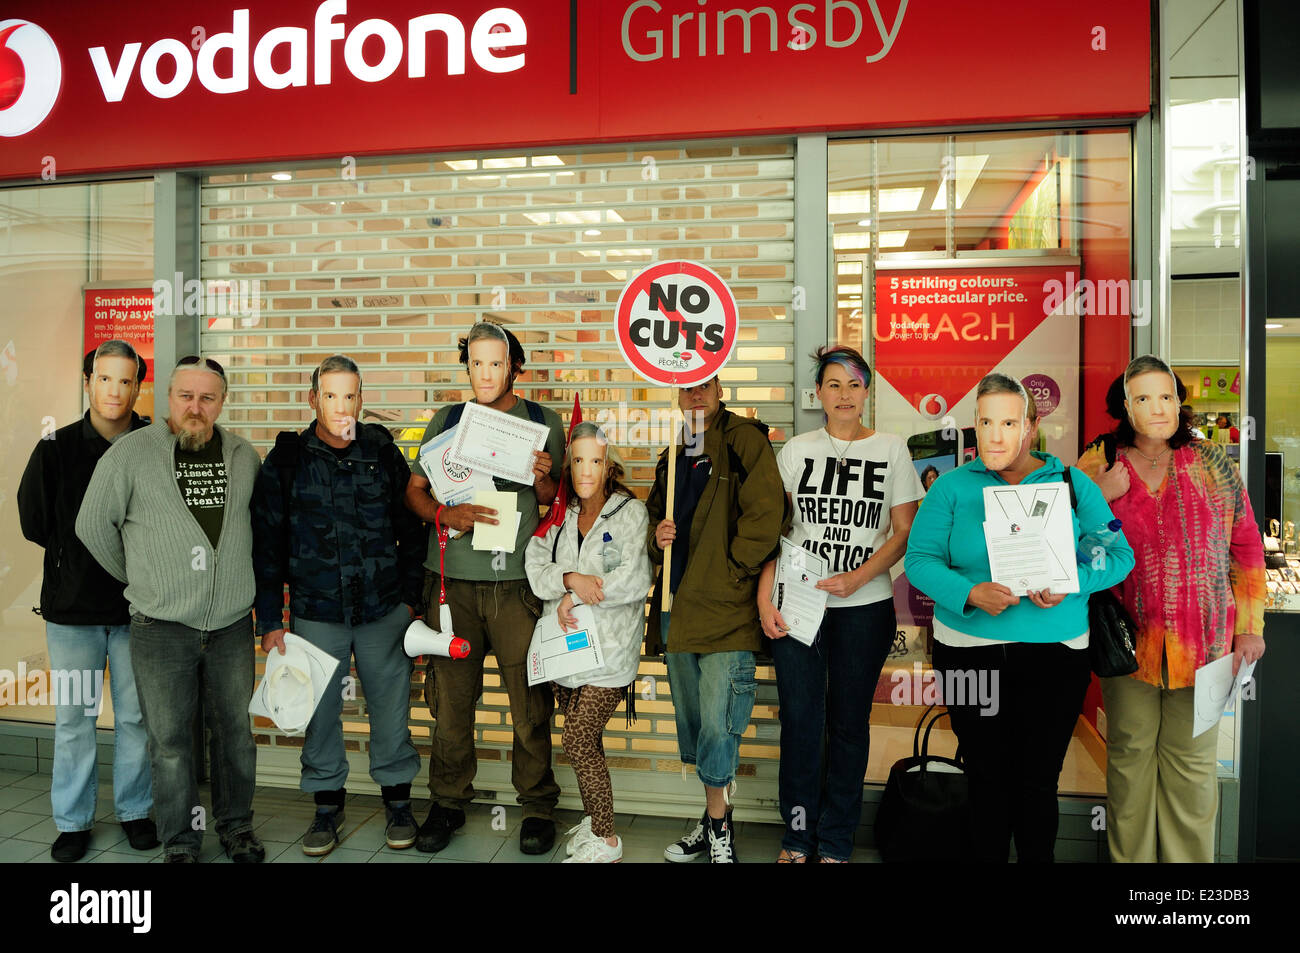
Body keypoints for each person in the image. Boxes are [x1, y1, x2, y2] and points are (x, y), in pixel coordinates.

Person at [904, 372, 1134, 862]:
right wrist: (970, 592)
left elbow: (1115, 555)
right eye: (985, 422)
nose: (995, 434)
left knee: (1037, 781)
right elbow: (919, 560)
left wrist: (1070, 579)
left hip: (1054, 657)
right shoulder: (950, 489)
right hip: (970, 653)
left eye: (1008, 422)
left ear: (1030, 426)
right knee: (985, 776)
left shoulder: (1073, 485)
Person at [76, 355, 265, 864]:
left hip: (229, 627)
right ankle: (180, 841)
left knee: (235, 737)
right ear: (168, 399)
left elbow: (257, 533)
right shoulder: (129, 454)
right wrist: (144, 579)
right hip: (160, 629)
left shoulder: (245, 456)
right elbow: (92, 526)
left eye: (207, 398)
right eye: (185, 396)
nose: (195, 408)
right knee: (171, 743)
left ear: (222, 402)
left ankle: (237, 829)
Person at [1078, 354, 1265, 862]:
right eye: (1143, 398)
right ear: (1126, 407)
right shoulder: (1101, 460)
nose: (1157, 408)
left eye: (1166, 396)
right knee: (1130, 761)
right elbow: (1062, 535)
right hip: (1126, 642)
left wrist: (1250, 626)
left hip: (1204, 644)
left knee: (1192, 769)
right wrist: (1098, 493)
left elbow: (1246, 546)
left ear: (1180, 403)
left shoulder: (1212, 463)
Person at [251, 355, 426, 856]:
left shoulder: (382, 452)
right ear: (313, 399)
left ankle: (397, 802)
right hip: (315, 612)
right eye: (331, 395)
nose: (341, 405)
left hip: (381, 610)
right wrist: (269, 620)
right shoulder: (288, 459)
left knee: (391, 710)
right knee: (320, 713)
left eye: (350, 395)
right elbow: (268, 543)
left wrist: (410, 600)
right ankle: (326, 808)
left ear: (361, 399)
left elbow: (410, 528)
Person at [403, 321, 566, 855]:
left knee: (529, 705)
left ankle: (538, 807)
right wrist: (445, 512)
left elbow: (552, 502)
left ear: (514, 366)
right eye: (476, 363)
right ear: (467, 366)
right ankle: (448, 802)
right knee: (451, 704)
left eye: (496, 363)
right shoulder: (447, 421)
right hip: (452, 585)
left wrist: (544, 478)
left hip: (518, 585)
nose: (486, 373)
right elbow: (415, 493)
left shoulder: (544, 422)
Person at [757, 346, 923, 863]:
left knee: (849, 725)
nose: (844, 394)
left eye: (854, 385)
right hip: (799, 605)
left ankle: (835, 840)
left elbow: (903, 531)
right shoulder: (795, 451)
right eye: (834, 384)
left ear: (867, 391)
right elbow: (772, 532)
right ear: (819, 393)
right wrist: (765, 599)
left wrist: (859, 577)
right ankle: (797, 837)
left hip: (865, 606)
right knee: (801, 720)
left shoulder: (893, 449)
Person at [17, 341, 157, 863]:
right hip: (73, 611)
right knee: (74, 719)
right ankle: (73, 822)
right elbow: (34, 522)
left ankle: (136, 811)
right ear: (88, 382)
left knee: (137, 719)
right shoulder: (55, 447)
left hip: (139, 610)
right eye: (104, 379)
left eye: (125, 381)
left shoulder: (152, 443)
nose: (114, 390)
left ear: (137, 387)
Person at [646, 376, 787, 863]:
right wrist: (657, 536)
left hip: (726, 612)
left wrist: (734, 572)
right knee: (695, 725)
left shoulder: (744, 439)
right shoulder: (672, 449)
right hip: (676, 610)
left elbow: (769, 514)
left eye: (705, 385)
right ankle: (710, 822)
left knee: (720, 724)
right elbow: (651, 522)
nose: (697, 394)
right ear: (677, 395)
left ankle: (719, 827)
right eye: (686, 388)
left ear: (720, 387)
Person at [524, 422, 651, 863]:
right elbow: (534, 566)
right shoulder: (557, 517)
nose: (586, 469)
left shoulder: (629, 513)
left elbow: (633, 579)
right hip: (566, 651)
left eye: (595, 461)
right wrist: (566, 578)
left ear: (607, 463)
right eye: (578, 460)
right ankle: (596, 823)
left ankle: (608, 840)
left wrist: (575, 593)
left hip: (611, 653)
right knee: (585, 743)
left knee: (577, 738)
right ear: (568, 464)